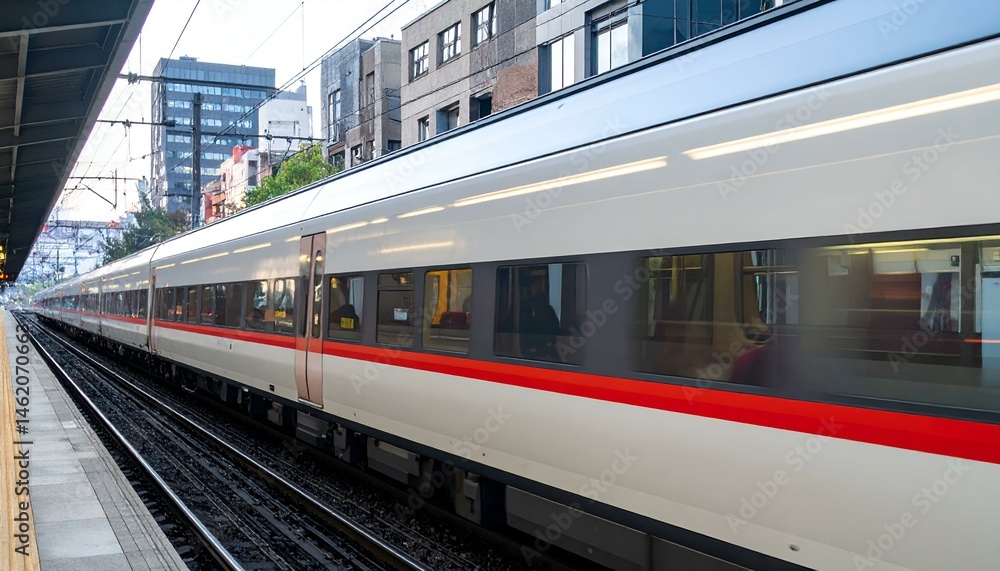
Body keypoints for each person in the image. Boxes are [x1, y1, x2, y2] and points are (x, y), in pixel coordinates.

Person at [519, 277, 560, 361]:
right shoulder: (547, 309)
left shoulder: (534, 309)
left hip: (541, 344)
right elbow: (556, 326)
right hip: (543, 344)